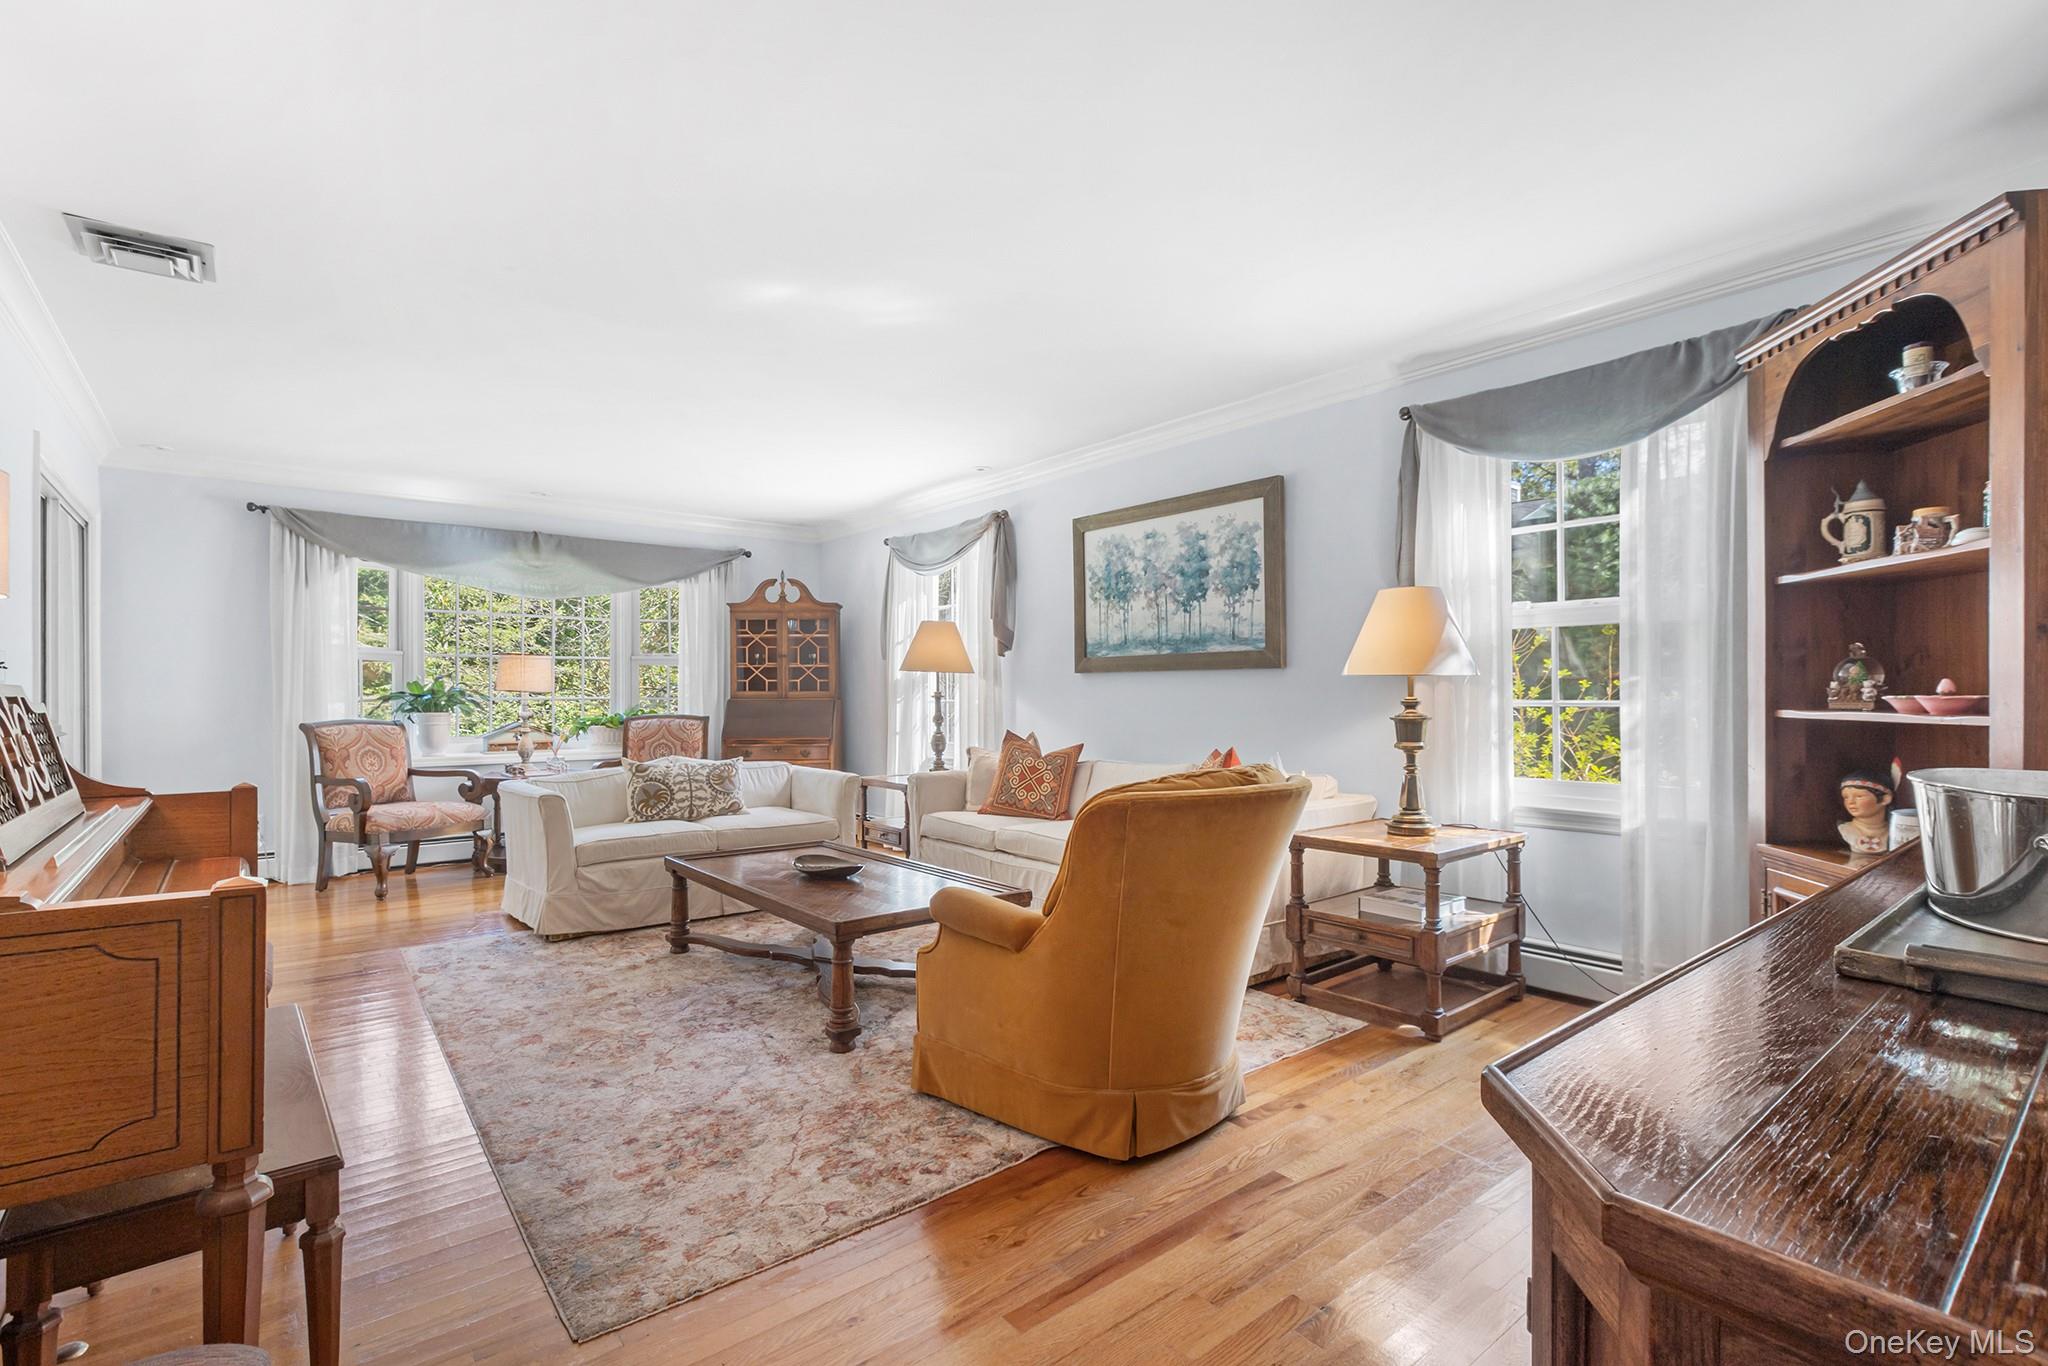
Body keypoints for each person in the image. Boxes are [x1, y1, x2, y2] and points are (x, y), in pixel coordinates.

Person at [1838, 761, 1902, 853]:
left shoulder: (1895, 833)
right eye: (1846, 797)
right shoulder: (1846, 830)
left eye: (1859, 796)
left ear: (1885, 799)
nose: (1850, 802)